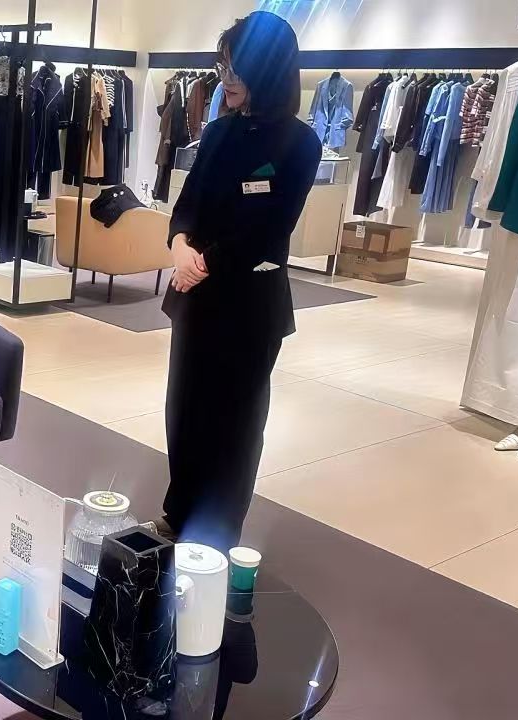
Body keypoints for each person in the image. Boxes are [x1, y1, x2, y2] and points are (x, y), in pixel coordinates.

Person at [160, 12, 321, 550]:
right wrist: (180, 246)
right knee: (184, 410)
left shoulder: (301, 144)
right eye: (222, 66)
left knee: (235, 422)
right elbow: (186, 206)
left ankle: (218, 531)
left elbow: (269, 229)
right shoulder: (218, 131)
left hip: (249, 305)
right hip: (194, 298)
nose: (225, 79)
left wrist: (200, 264)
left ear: (267, 70)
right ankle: (179, 511)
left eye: (235, 68)